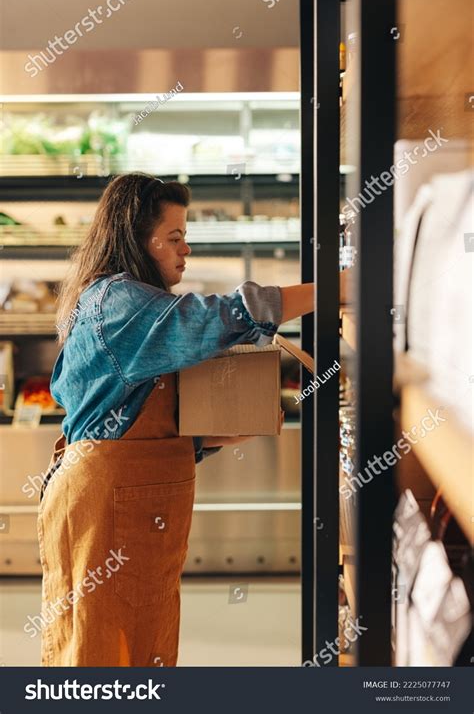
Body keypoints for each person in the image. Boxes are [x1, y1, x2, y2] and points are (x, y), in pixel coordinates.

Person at [38, 172, 315, 666]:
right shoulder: (117, 301)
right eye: (174, 237)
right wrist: (330, 288)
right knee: (97, 656)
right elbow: (214, 319)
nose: (185, 250)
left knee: (140, 650)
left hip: (129, 512)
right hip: (102, 513)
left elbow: (124, 425)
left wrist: (204, 440)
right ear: (138, 241)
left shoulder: (131, 300)